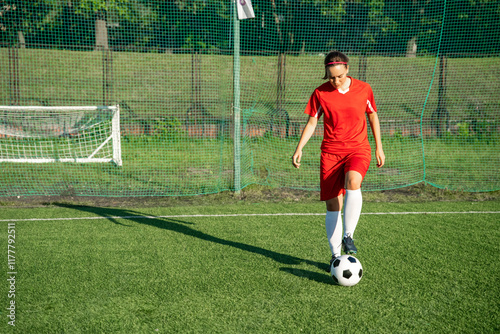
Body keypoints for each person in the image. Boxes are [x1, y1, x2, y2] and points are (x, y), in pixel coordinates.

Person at [292, 51, 385, 271]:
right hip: (330, 153)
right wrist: (299, 148)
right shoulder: (320, 93)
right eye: (331, 77)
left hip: (357, 149)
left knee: (353, 181)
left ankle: (348, 235)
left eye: (340, 76)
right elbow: (313, 122)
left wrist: (379, 147)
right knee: (333, 205)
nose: (335, 81)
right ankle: (335, 256)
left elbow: (372, 115)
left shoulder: (364, 89)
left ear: (347, 70)